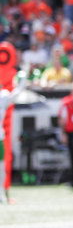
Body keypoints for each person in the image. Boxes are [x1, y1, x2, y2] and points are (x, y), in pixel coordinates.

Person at [0, 71, 27, 203]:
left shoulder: (3, 96)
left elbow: (16, 94)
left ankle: (1, 194)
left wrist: (21, 81)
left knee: (1, 168)